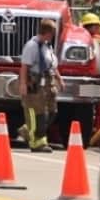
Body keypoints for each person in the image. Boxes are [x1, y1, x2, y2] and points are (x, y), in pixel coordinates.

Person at [17, 18, 61, 152]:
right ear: (46, 32)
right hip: (35, 81)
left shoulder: (47, 46)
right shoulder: (32, 46)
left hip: (48, 81)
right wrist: (23, 84)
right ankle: (38, 142)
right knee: (39, 114)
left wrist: (60, 79)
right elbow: (25, 66)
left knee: (52, 112)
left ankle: (27, 130)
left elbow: (52, 65)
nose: (52, 36)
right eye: (52, 33)